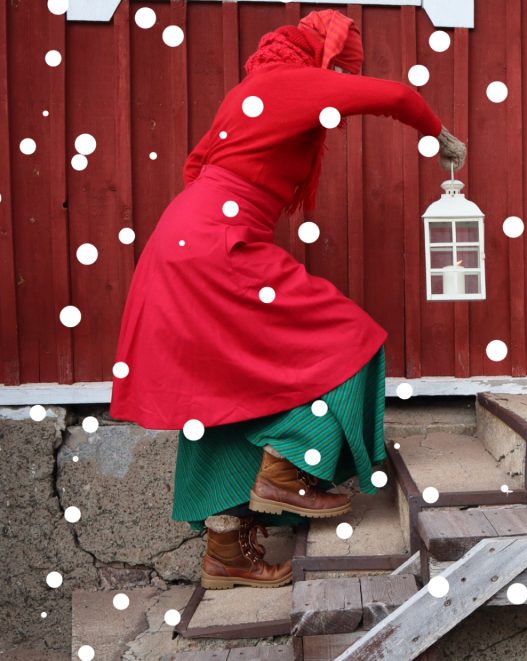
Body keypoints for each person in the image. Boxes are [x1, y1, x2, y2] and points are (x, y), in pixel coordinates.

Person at [108, 9, 466, 590]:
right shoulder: (292, 83)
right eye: (341, 62)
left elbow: (198, 164)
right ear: (318, 54)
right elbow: (395, 95)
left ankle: (226, 551)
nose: (344, 71)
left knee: (222, 389)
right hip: (218, 243)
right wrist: (439, 135)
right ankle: (290, 466)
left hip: (190, 239)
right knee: (349, 339)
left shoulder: (250, 92)